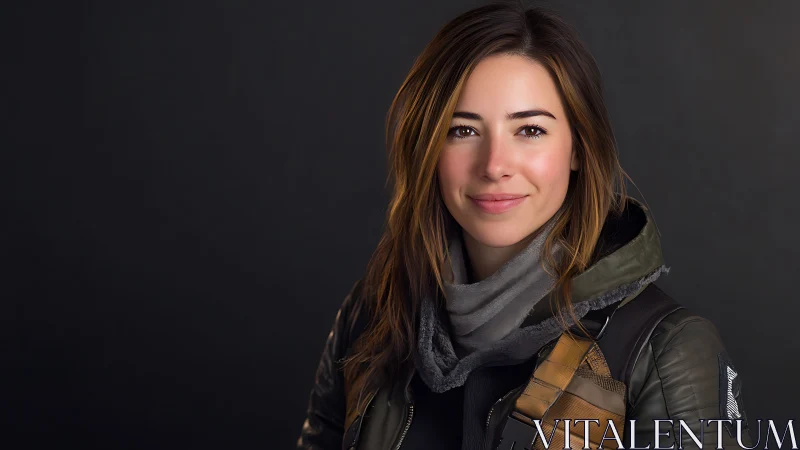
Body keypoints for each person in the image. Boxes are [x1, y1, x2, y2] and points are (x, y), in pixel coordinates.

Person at [297, 2, 751, 449]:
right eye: (463, 130)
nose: (494, 165)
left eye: (530, 130)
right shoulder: (373, 315)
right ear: (427, 148)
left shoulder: (665, 350)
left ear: (579, 148)